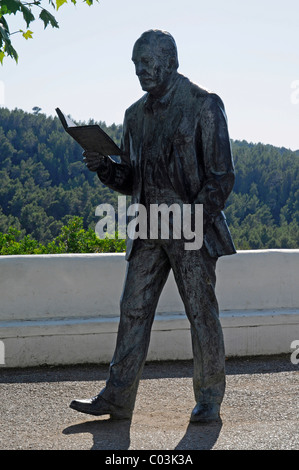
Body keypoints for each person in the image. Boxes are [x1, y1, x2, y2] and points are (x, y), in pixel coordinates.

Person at [70, 29, 236, 423]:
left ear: (170, 61)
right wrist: (105, 168)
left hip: (191, 227)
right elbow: (131, 180)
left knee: (201, 312)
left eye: (146, 63)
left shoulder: (204, 104)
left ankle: (210, 397)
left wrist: (193, 220)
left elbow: (221, 177)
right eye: (135, 64)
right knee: (132, 309)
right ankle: (117, 396)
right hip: (147, 227)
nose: (139, 71)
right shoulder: (133, 115)